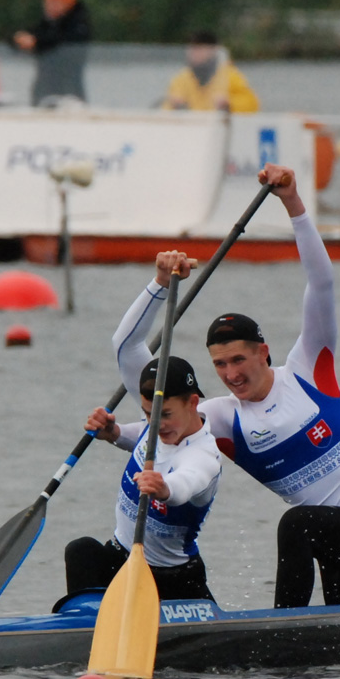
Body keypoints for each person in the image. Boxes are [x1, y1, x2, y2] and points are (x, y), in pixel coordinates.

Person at [183, 164, 340, 607]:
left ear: (263, 352)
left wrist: (292, 201)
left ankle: (282, 627)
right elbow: (159, 422)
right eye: (220, 365)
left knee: (297, 524)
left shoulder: (308, 368)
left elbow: (322, 281)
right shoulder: (221, 417)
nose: (231, 374)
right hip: (339, 544)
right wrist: (113, 432)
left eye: (238, 360)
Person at [60, 255, 222, 606]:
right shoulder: (157, 420)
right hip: (121, 560)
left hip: (173, 581)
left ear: (193, 403)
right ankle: (84, 629)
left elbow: (186, 482)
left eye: (165, 415)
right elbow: (125, 344)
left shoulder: (204, 455)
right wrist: (160, 282)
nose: (156, 425)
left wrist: (163, 488)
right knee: (81, 550)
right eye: (149, 415)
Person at [12, 0, 91, 105]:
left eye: (55, 1)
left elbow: (62, 40)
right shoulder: (48, 24)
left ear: (67, 3)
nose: (49, 6)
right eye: (47, 1)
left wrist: (37, 42)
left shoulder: (78, 25)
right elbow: (35, 35)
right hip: (44, 92)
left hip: (69, 92)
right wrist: (20, 39)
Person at [162, 31, 259, 113]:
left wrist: (229, 103)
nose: (194, 53)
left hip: (217, 126)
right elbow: (166, 109)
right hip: (192, 126)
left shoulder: (230, 76)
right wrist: (175, 105)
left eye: (199, 49)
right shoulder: (181, 78)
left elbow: (251, 104)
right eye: (192, 49)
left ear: (213, 50)